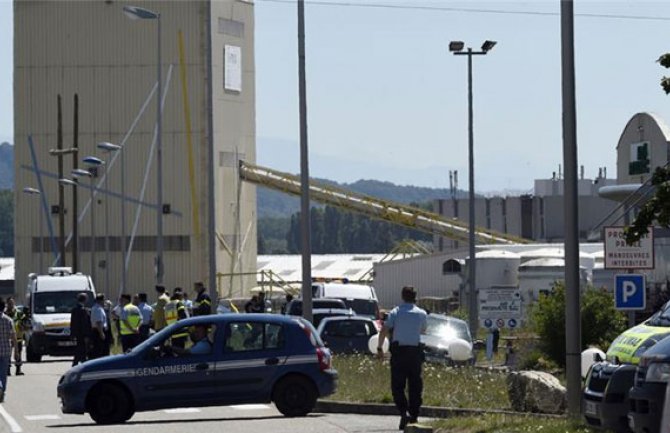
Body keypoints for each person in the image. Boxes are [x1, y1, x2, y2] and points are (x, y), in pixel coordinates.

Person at [377, 286, 427, 430]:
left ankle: (403, 412)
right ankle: (414, 415)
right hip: (415, 353)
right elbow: (423, 329)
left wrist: (380, 348)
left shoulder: (395, 312)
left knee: (398, 386)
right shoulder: (421, 313)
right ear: (415, 297)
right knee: (415, 385)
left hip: (399, 353)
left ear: (402, 296)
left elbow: (384, 330)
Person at [0, 298, 17, 402]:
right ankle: (2, 390)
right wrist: (17, 351)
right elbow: (13, 336)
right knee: (3, 373)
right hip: (6, 351)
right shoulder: (8, 320)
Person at [70, 293, 92, 366]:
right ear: (85, 300)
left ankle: (79, 363)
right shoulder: (83, 310)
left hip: (77, 333)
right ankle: (80, 364)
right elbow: (84, 324)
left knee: (80, 349)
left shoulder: (74, 309)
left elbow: (72, 323)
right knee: (82, 349)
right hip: (82, 334)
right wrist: (86, 335)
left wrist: (72, 334)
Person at [90, 294, 109, 359]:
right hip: (99, 331)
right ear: (101, 300)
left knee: (97, 349)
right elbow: (98, 322)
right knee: (100, 350)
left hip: (96, 330)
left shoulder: (94, 307)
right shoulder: (98, 309)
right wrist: (101, 333)